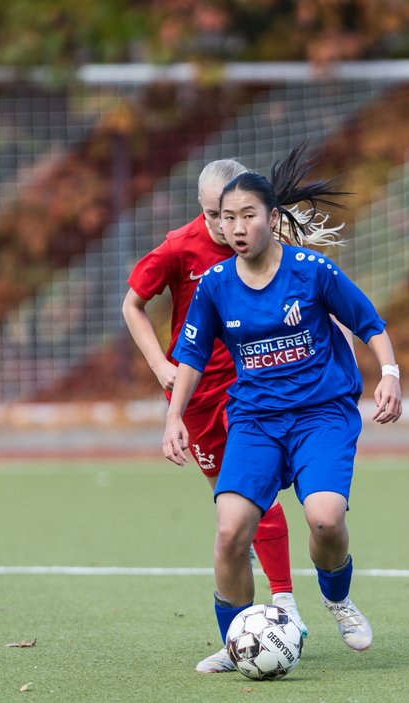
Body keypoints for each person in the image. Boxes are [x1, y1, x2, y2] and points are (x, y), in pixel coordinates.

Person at [163, 142, 402, 663]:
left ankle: (336, 599)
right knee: (230, 532)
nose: (237, 227)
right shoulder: (215, 286)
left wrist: (389, 374)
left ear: (272, 218)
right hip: (255, 422)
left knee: (324, 519)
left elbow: (370, 323)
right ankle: (236, 643)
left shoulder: (312, 271)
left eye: (248, 215)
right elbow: (192, 355)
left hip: (322, 416)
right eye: (227, 219)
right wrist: (174, 416)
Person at [123, 157, 304, 673]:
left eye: (230, 214)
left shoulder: (268, 240)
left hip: (256, 390)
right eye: (210, 215)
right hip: (199, 396)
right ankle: (240, 639)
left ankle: (286, 603)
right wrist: (161, 364)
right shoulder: (180, 247)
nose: (222, 227)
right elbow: (132, 304)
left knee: (254, 499)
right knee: (232, 515)